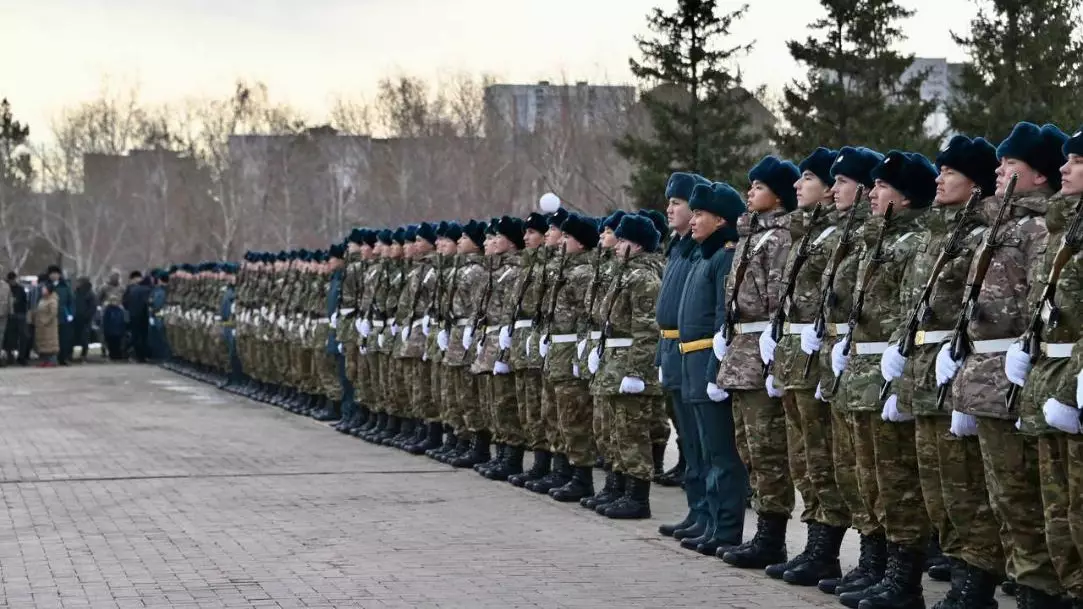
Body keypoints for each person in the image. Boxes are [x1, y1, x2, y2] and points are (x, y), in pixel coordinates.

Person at [936, 122, 1068, 607]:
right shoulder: (1001, 225)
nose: (999, 169)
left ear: (1038, 174)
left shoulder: (1039, 228)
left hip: (1017, 377)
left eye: (1010, 163)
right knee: (998, 495)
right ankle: (1015, 584)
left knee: (1023, 497)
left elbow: (1043, 303)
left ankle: (1039, 592)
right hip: (984, 374)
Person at [718, 155, 800, 569]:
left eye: (759, 187)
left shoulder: (780, 237)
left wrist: (774, 353)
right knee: (749, 447)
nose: (750, 193)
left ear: (778, 195)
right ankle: (764, 532)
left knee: (768, 449)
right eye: (750, 186)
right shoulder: (752, 235)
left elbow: (778, 299)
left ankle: (773, 537)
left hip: (762, 352)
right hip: (742, 350)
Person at [674, 181, 747, 556]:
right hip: (692, 362)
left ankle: (726, 529)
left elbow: (723, 317)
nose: (693, 219)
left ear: (720, 220)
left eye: (700, 214)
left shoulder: (723, 257)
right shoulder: (704, 256)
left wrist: (717, 369)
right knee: (703, 452)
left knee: (721, 454)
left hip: (708, 361)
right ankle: (709, 521)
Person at [47, 265, 75, 365]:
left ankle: (63, 358)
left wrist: (71, 314)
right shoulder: (46, 286)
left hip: (63, 315)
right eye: (52, 274)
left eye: (56, 273)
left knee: (64, 338)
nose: (54, 276)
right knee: (50, 338)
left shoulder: (65, 286)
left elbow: (71, 301)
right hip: (49, 316)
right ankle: (51, 358)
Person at [98, 271, 127, 360]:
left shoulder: (122, 288)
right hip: (107, 310)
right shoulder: (104, 287)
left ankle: (119, 350)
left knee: (120, 332)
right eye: (113, 277)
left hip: (119, 310)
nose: (115, 279)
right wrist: (102, 306)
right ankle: (105, 348)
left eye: (116, 277)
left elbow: (125, 298)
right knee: (105, 331)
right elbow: (99, 298)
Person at [33, 282, 60, 367]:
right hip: (41, 327)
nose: (42, 290)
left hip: (49, 326)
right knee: (43, 344)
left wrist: (45, 321)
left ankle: (52, 361)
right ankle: (45, 360)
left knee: (50, 344)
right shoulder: (42, 299)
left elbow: (53, 313)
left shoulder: (52, 300)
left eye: (44, 289)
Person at [4, 272, 28, 365]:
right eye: (11, 280)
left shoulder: (20, 289)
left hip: (20, 314)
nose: (13, 282)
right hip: (10, 315)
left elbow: (25, 301)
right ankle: (10, 356)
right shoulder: (6, 288)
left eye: (13, 280)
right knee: (10, 337)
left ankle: (21, 357)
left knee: (23, 336)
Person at [73, 276, 97, 362]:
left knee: (84, 337)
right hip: (76, 318)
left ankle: (84, 354)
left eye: (79, 282)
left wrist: (87, 316)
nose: (77, 284)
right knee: (74, 336)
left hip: (85, 320)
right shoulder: (76, 292)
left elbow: (93, 307)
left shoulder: (90, 293)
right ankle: (72, 354)